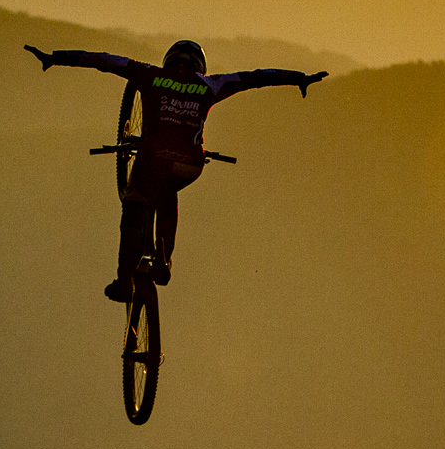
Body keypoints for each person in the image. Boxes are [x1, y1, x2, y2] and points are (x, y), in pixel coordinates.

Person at [25, 39, 326, 300]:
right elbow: (256, 77)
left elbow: (103, 60)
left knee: (133, 207)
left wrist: (56, 57)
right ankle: (163, 261)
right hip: (190, 166)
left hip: (150, 162)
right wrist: (298, 78)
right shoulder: (211, 85)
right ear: (200, 67)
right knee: (168, 191)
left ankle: (124, 282)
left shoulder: (149, 75)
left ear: (169, 61)